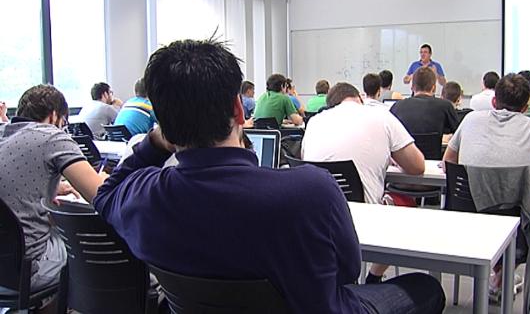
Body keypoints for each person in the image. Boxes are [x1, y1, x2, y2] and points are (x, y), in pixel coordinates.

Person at [93, 38, 445, 314]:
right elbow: (348, 270)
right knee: (426, 288)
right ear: (237, 108)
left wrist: (156, 142)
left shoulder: (145, 196)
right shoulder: (309, 190)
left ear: (163, 124)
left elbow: (106, 195)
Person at [442, 73, 530, 301]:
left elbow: (449, 161)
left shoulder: (470, 120)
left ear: (494, 102)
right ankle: (501, 275)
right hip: (514, 225)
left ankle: (499, 276)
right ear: (527, 107)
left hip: (466, 218)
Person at [302, 82, 429, 287]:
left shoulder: (315, 122)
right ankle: (375, 276)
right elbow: (417, 166)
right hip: (364, 217)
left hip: (319, 218)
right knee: (405, 204)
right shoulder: (382, 116)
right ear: (360, 98)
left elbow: (307, 162)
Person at [0, 85, 106, 308]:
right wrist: (105, 178)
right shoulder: (52, 136)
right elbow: (102, 195)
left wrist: (53, 188)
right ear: (54, 116)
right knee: (82, 244)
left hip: (5, 267)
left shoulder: (3, 135)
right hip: (28, 269)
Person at [391, 66, 458, 139]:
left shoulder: (397, 107)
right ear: (434, 88)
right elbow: (458, 133)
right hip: (434, 149)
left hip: (404, 150)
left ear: (412, 87)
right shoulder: (445, 106)